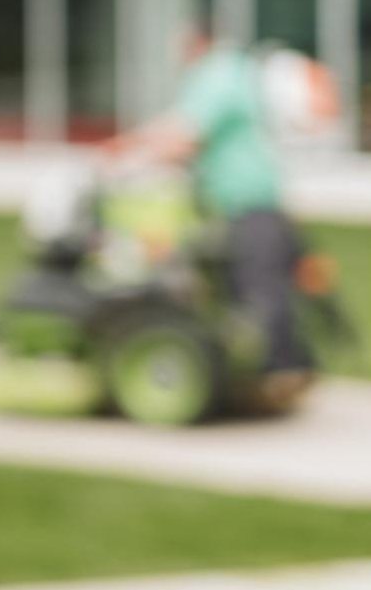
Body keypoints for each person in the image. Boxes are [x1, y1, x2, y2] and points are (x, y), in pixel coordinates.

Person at [101, 21, 316, 407]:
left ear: (197, 43)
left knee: (260, 289)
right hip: (252, 199)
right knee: (251, 285)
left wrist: (133, 161)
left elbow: (186, 135)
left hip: (249, 199)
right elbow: (176, 124)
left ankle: (280, 374)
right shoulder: (231, 74)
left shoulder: (217, 74)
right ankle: (282, 368)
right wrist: (132, 142)